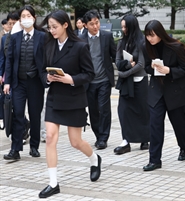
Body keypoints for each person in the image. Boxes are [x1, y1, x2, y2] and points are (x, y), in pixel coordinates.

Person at [38, 10, 101, 198]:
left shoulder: (80, 46)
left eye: (55, 27)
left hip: (74, 98)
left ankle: (94, 159)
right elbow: (42, 70)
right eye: (49, 27)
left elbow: (90, 74)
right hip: (55, 98)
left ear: (66, 25)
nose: (52, 30)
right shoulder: (48, 44)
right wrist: (47, 78)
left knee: (76, 142)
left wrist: (70, 79)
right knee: (50, 137)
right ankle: (53, 183)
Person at [142, 20, 185, 171]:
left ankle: (184, 148)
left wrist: (169, 70)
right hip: (157, 91)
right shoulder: (146, 47)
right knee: (155, 125)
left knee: (179, 123)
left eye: (153, 35)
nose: (150, 39)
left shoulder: (176, 47)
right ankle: (154, 160)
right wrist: (152, 68)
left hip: (175, 91)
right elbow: (145, 68)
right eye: (148, 36)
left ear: (160, 33)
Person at [3, 5, 45, 160]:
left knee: (35, 115)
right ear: (19, 20)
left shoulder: (42, 36)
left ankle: (34, 146)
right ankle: (15, 149)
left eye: (28, 15)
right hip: (18, 83)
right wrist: (7, 82)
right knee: (18, 114)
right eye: (23, 16)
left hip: (35, 83)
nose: (26, 19)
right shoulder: (15, 37)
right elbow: (10, 60)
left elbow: (46, 58)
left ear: (34, 18)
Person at [114, 14, 150, 154]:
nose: (123, 29)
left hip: (140, 81)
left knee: (142, 111)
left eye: (125, 27)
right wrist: (128, 66)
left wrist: (124, 73)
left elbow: (141, 64)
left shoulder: (141, 42)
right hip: (126, 83)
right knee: (124, 110)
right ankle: (126, 140)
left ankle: (144, 139)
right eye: (122, 27)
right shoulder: (121, 42)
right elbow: (117, 62)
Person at [80, 10, 116, 150]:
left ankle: (103, 137)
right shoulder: (81, 39)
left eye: (97, 23)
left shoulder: (107, 36)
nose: (95, 26)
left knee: (104, 108)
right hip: (88, 82)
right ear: (85, 25)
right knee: (93, 110)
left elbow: (115, 55)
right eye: (91, 24)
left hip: (104, 80)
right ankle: (98, 135)